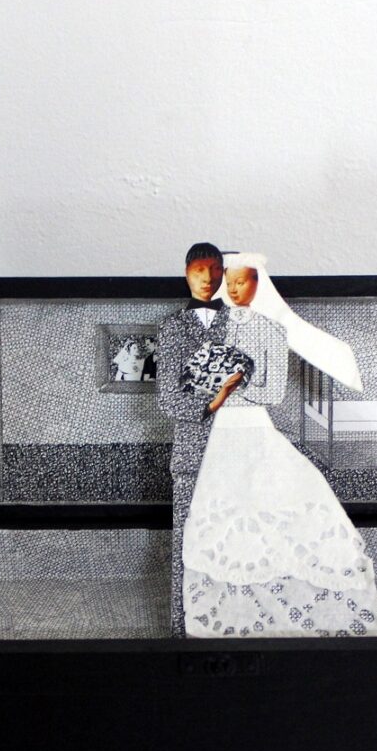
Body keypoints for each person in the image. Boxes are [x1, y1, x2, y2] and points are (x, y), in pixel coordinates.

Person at [180, 253, 377, 637]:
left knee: (286, 495)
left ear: (257, 285)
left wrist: (233, 383)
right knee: (223, 509)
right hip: (218, 430)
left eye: (243, 281)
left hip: (252, 423)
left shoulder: (269, 329)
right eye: (228, 282)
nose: (235, 289)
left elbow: (272, 389)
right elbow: (191, 383)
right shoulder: (205, 328)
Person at [155, 242, 242, 637]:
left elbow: (256, 387)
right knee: (188, 544)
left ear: (224, 272)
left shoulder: (240, 322)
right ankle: (184, 629)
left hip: (236, 453)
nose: (207, 278)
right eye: (198, 270)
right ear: (186, 274)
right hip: (191, 455)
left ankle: (232, 624)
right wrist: (216, 401)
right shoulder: (172, 328)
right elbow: (168, 400)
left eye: (214, 270)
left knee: (233, 541)